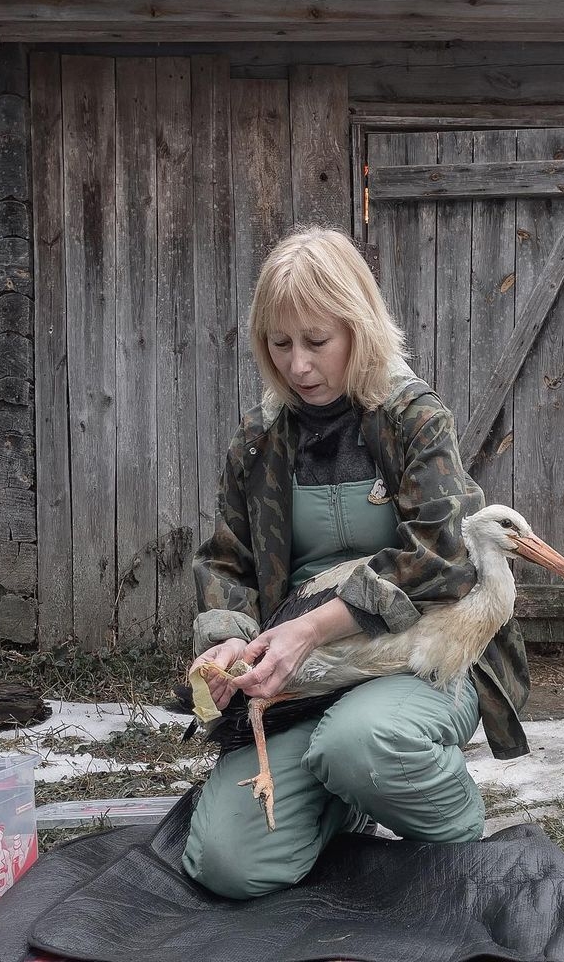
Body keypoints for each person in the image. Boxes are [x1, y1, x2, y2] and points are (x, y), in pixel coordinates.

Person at [182, 227, 531, 900]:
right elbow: (227, 562)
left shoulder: (412, 420)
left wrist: (313, 628)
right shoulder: (259, 442)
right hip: (303, 682)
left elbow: (446, 549)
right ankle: (348, 793)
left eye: (317, 342)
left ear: (359, 327)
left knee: (361, 744)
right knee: (230, 866)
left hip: (418, 659)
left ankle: (453, 833)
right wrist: (225, 637)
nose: (298, 366)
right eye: (280, 345)